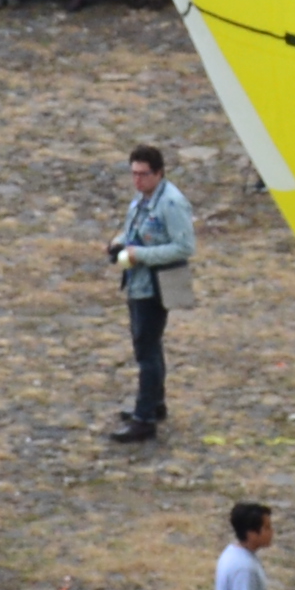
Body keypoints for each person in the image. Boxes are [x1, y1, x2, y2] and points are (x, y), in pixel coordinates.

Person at [111, 150, 195, 445]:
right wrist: (120, 242)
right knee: (148, 346)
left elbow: (184, 247)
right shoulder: (144, 198)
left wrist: (140, 255)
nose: (137, 179)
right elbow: (136, 230)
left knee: (147, 351)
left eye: (143, 174)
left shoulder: (171, 203)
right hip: (139, 282)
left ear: (159, 173)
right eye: (134, 173)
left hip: (156, 285)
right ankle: (153, 404)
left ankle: (144, 419)